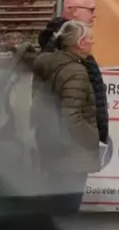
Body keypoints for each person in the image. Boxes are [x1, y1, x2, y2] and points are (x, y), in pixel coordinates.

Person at [31, 20, 105, 211]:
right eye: (90, 39)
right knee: (67, 210)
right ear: (80, 43)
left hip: (50, 144)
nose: (93, 43)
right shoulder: (76, 72)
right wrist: (92, 138)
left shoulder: (48, 64)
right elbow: (72, 117)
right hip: (72, 154)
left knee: (55, 207)